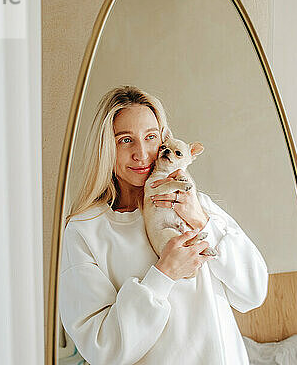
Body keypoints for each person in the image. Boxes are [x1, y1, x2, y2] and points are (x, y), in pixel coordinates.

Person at [58, 86, 268, 365]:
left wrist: (202, 220)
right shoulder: (85, 231)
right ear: (106, 147)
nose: (142, 153)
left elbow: (253, 292)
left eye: (150, 137)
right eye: (125, 140)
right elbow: (103, 349)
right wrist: (163, 275)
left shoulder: (196, 203)